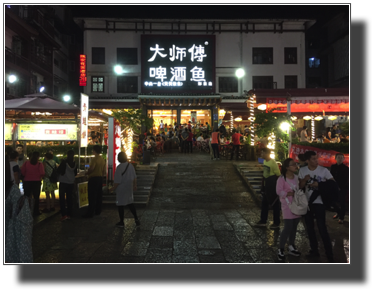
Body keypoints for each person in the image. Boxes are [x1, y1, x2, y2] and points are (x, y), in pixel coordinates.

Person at [299, 150, 335, 262]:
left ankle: (329, 254)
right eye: (313, 159)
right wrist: (304, 181)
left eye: (316, 158)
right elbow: (300, 186)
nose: (316, 161)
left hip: (319, 202)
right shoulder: (302, 170)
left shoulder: (323, 170)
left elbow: (333, 184)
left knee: (322, 228)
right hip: (307, 203)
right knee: (309, 228)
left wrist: (319, 185)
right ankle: (314, 250)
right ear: (307, 160)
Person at [276, 158, 302, 261]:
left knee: (294, 226)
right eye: (293, 165)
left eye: (296, 164)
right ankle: (281, 249)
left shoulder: (296, 177)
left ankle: (291, 245)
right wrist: (288, 193)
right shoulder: (281, 179)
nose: (295, 166)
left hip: (296, 205)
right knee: (288, 227)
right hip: (287, 205)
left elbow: (299, 188)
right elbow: (278, 191)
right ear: (287, 167)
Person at [109, 152, 140, 227]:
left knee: (120, 204)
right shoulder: (130, 165)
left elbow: (117, 181)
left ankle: (121, 221)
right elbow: (134, 177)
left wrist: (112, 189)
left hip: (121, 189)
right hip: (129, 188)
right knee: (130, 203)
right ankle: (136, 219)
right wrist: (135, 185)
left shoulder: (119, 167)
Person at [255, 148, 281, 228]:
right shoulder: (265, 161)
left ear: (267, 154)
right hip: (266, 185)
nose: (261, 154)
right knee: (264, 203)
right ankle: (263, 220)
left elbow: (278, 174)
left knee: (275, 203)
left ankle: (276, 223)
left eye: (262, 153)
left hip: (272, 185)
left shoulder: (273, 163)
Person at [83, 145, 105, 218]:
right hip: (99, 178)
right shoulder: (102, 159)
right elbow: (104, 171)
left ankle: (90, 212)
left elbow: (91, 169)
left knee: (92, 196)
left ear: (94, 151)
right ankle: (98, 211)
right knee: (98, 196)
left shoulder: (94, 159)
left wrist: (86, 173)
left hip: (93, 179)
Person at [21, 151, 45, 216]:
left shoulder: (26, 163)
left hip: (27, 182)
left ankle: (26, 210)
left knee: (27, 196)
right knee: (36, 197)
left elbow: (22, 172)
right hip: (36, 182)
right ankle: (35, 211)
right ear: (38, 157)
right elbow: (42, 173)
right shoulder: (39, 164)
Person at [58, 150, 78, 221]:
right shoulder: (74, 163)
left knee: (62, 198)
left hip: (63, 182)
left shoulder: (64, 162)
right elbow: (75, 173)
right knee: (69, 198)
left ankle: (64, 214)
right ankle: (69, 213)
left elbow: (60, 171)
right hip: (71, 182)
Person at [330, 153, 349, 224]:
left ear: (343, 159)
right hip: (334, 187)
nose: (340, 159)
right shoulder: (333, 167)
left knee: (342, 203)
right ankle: (338, 212)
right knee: (333, 202)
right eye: (338, 157)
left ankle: (341, 217)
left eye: (341, 157)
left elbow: (346, 179)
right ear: (335, 158)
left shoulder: (346, 168)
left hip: (342, 188)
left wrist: (341, 187)